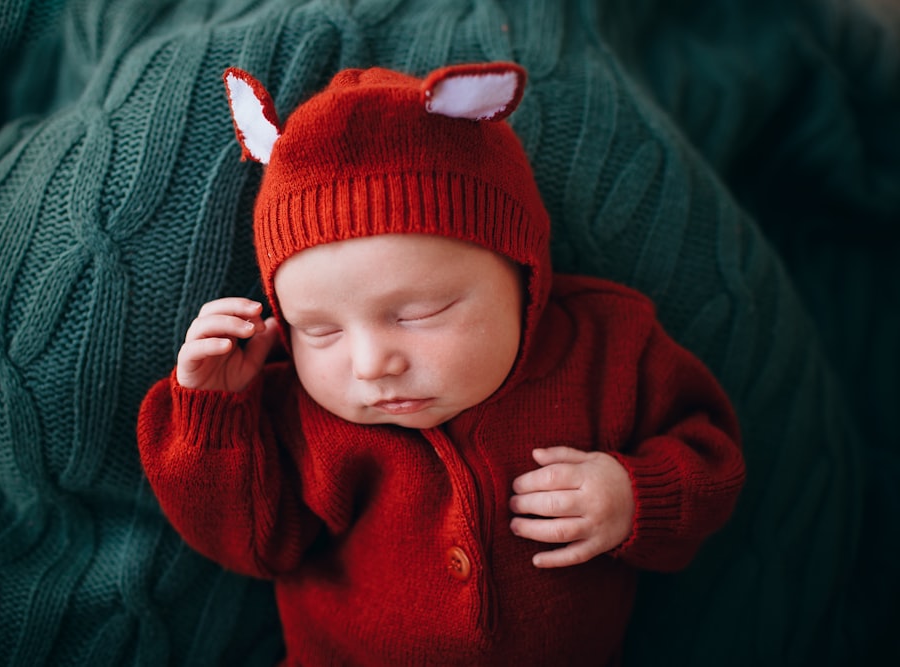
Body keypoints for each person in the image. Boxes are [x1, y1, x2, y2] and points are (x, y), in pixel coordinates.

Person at [137, 62, 746, 666]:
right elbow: (251, 546)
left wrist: (636, 498)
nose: (372, 363)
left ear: (523, 274)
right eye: (318, 330)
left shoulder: (609, 347)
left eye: (420, 313)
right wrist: (212, 420)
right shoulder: (295, 411)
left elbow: (711, 458)